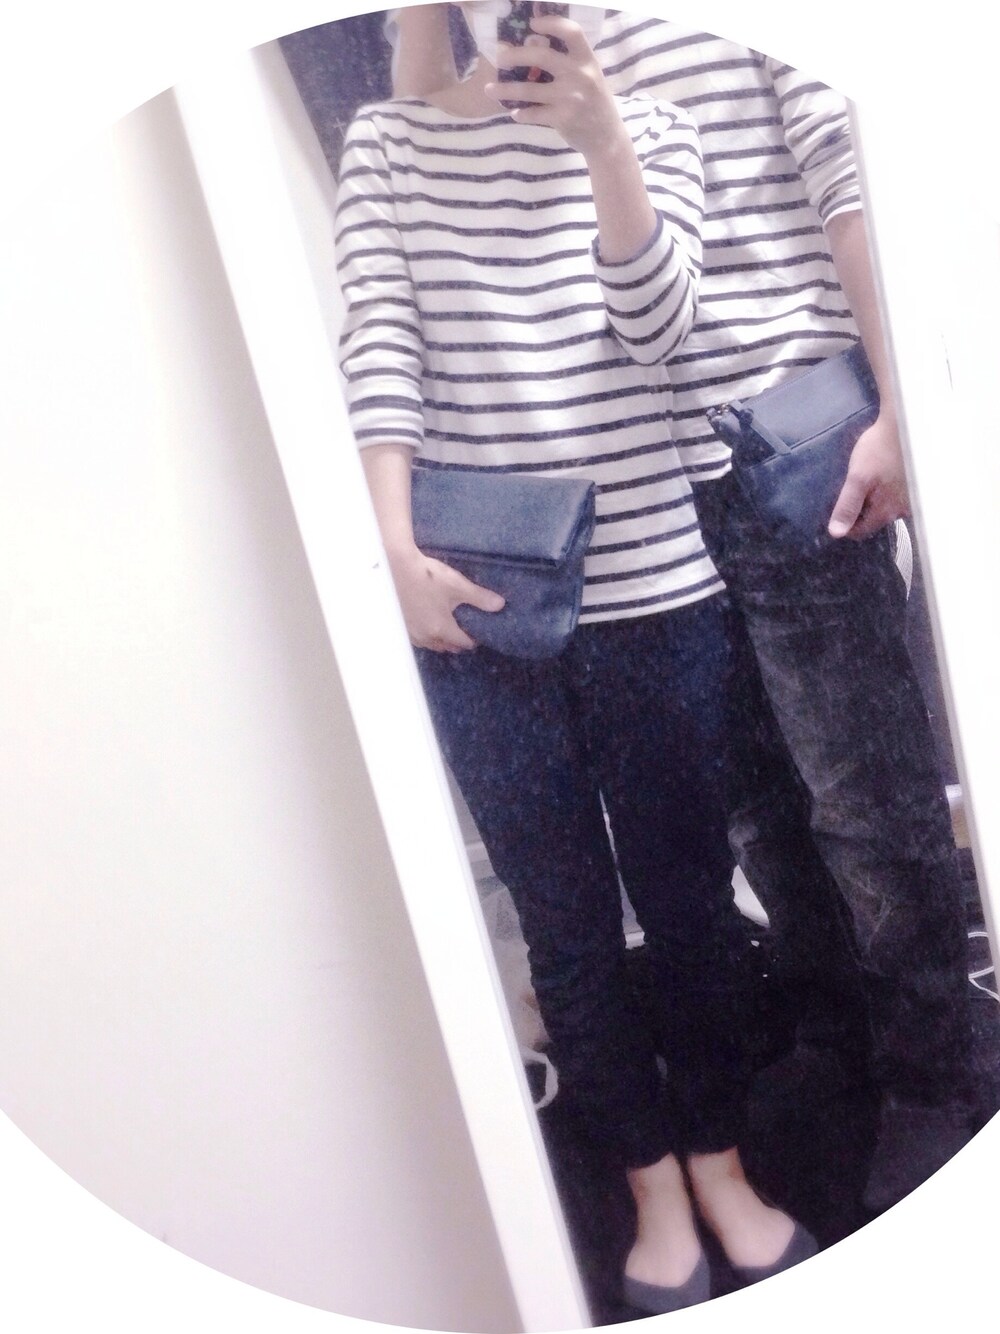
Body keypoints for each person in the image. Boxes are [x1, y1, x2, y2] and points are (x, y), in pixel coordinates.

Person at [387, 3, 982, 1215]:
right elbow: (430, 189)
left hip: (792, 434)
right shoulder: (518, 38)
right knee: (754, 807)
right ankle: (836, 1039)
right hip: (643, 494)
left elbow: (845, 169)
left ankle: (935, 1074)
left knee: (863, 801)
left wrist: (900, 406)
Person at [334, 5, 816, 1312]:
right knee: (561, 918)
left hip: (659, 587)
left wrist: (606, 144)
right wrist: (392, 552)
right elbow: (380, 348)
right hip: (476, 599)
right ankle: (648, 1177)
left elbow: (663, 333)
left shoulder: (655, 129)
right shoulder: (386, 142)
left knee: (692, 901)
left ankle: (718, 1156)